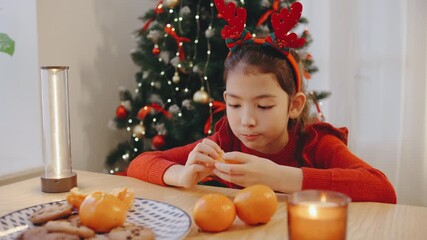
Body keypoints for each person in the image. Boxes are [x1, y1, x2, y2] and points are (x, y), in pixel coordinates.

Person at [127, 1, 397, 204]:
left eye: (264, 106)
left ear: (294, 105)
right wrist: (181, 175)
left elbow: (381, 189)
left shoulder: (316, 144)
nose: (246, 121)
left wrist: (277, 176)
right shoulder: (225, 141)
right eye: (234, 105)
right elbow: (140, 162)